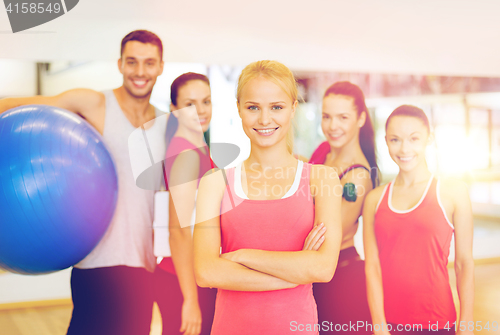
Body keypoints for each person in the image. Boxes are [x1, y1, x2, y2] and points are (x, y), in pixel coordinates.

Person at [0, 30, 166, 335]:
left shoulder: (167, 125)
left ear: (160, 66)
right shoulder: (93, 103)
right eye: (132, 62)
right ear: (120, 64)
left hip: (143, 265)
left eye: (148, 63)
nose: (140, 72)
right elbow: (10, 104)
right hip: (94, 262)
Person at [193, 60, 343, 335]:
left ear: (293, 108)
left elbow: (322, 268)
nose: (264, 120)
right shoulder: (214, 183)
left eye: (277, 107)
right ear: (239, 108)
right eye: (253, 108)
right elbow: (206, 272)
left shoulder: (322, 179)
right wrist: (294, 273)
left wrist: (241, 256)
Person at [363, 105, 475, 335]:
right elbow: (372, 266)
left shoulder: (454, 192)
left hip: (438, 322)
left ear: (429, 139)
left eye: (414, 139)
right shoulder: (374, 199)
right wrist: (379, 325)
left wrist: (466, 325)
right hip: (389, 324)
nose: (404, 148)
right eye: (395, 140)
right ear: (386, 141)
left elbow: (464, 264)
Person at [309, 82, 378, 333]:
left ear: (360, 119)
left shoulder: (357, 176)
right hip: (313, 275)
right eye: (326, 116)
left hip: (340, 280)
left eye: (343, 117)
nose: (332, 126)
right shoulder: (323, 151)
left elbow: (327, 239)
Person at [155, 72, 217, 335]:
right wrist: (190, 299)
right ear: (175, 110)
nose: (201, 111)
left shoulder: (197, 148)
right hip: (182, 279)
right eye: (190, 104)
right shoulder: (186, 156)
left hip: (190, 273)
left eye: (206, 101)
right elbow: (178, 231)